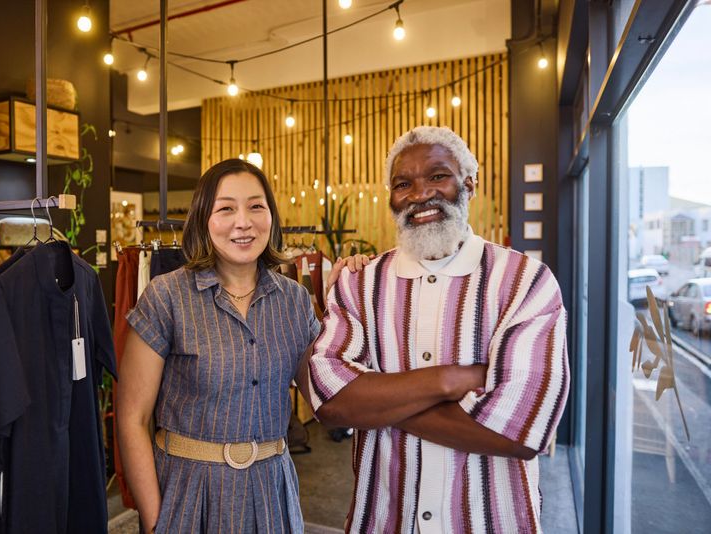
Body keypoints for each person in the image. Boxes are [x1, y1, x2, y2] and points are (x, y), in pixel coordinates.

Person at [308, 126, 569, 533]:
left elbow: (522, 430)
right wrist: (451, 380)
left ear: (469, 183)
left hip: (491, 521)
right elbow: (330, 404)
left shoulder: (525, 281)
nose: (418, 194)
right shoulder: (358, 284)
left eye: (436, 176)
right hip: (384, 520)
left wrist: (378, 403)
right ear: (391, 198)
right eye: (402, 183)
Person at [117, 158, 361, 533]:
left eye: (256, 206)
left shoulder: (294, 300)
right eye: (226, 208)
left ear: (271, 217)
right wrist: (154, 522)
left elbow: (324, 398)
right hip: (189, 490)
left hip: (270, 490)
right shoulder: (166, 296)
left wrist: (348, 303)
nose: (243, 221)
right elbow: (133, 419)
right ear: (203, 218)